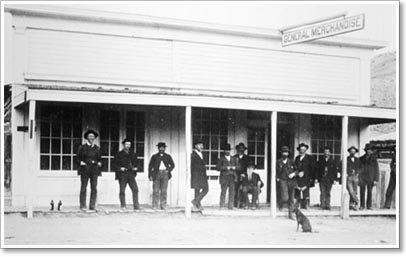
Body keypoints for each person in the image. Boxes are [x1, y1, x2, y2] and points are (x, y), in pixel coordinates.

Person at [77, 129, 102, 212]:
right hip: (85, 170)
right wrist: (80, 162)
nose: (91, 138)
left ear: (94, 138)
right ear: (86, 137)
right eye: (89, 136)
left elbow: (99, 159)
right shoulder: (82, 147)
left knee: (94, 188)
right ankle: (83, 205)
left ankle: (92, 206)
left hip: (94, 170)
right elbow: (77, 158)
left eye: (93, 136)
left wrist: (99, 163)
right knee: (84, 188)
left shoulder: (97, 148)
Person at [113, 138, 140, 211]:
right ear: (123, 145)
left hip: (131, 174)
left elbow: (137, 163)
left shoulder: (133, 154)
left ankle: (136, 206)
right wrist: (120, 168)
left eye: (129, 144)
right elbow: (114, 164)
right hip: (123, 174)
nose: (128, 146)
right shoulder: (119, 154)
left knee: (135, 189)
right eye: (126, 144)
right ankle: (123, 205)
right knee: (122, 190)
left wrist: (136, 168)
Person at [148, 142, 175, 210]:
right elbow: (150, 166)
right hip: (156, 173)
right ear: (158, 148)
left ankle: (163, 205)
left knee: (164, 190)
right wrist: (150, 175)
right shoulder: (154, 156)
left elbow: (172, 165)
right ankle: (155, 205)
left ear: (165, 148)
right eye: (160, 147)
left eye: (163, 147)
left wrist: (168, 170)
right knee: (156, 190)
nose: (161, 149)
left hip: (165, 173)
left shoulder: (168, 156)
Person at [216, 144, 239, 209]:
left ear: (230, 151)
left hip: (232, 177)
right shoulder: (221, 159)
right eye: (226, 150)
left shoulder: (234, 159)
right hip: (224, 178)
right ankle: (222, 205)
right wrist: (226, 168)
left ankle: (230, 206)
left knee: (232, 192)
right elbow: (217, 167)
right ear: (224, 151)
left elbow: (239, 167)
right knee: (223, 192)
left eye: (228, 150)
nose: (227, 152)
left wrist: (235, 167)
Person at [276, 146, 297, 219]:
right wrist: (277, 177)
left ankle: (290, 214)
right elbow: (275, 171)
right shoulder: (278, 161)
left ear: (288, 153)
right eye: (283, 152)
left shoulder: (291, 161)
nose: (285, 154)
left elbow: (297, 170)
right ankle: (280, 203)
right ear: (281, 153)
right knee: (285, 198)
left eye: (286, 152)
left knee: (291, 198)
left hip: (291, 181)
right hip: (283, 180)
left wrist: (293, 174)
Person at [294, 143, 315, 209]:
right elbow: (295, 167)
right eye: (301, 149)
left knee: (306, 190)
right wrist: (298, 173)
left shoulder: (309, 158)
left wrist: (304, 172)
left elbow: (312, 168)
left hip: (306, 177)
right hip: (298, 176)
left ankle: (306, 205)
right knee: (298, 190)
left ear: (306, 150)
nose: (302, 151)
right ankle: (298, 205)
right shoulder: (297, 158)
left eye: (303, 149)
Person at [359, 143, 379, 210]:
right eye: (367, 150)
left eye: (370, 150)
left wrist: (376, 179)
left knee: (369, 191)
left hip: (371, 177)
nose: (369, 151)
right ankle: (362, 205)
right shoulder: (361, 158)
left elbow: (376, 169)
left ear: (372, 151)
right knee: (362, 191)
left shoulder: (374, 159)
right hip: (362, 177)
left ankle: (369, 206)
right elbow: (359, 168)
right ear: (366, 150)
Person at [191, 140, 209, 211]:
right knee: (197, 190)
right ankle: (197, 205)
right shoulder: (193, 155)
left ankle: (195, 201)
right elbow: (192, 166)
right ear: (195, 146)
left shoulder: (202, 154)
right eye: (199, 145)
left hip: (203, 175)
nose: (201, 147)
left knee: (206, 189)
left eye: (202, 145)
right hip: (196, 175)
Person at [233, 142, 250, 208]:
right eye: (239, 150)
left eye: (242, 150)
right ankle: (236, 203)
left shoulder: (247, 158)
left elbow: (249, 167)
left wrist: (245, 174)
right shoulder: (234, 157)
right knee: (235, 189)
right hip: (236, 176)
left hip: (244, 176)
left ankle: (243, 203)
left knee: (243, 189)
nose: (241, 151)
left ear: (244, 150)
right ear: (237, 150)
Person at [346, 146, 362, 211]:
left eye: (354, 151)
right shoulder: (346, 159)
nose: (352, 152)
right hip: (349, 177)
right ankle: (357, 201)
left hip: (355, 177)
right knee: (351, 190)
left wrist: (358, 173)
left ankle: (352, 205)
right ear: (349, 152)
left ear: (355, 152)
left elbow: (361, 168)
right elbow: (341, 167)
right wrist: (347, 173)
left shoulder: (358, 160)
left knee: (355, 191)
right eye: (351, 151)